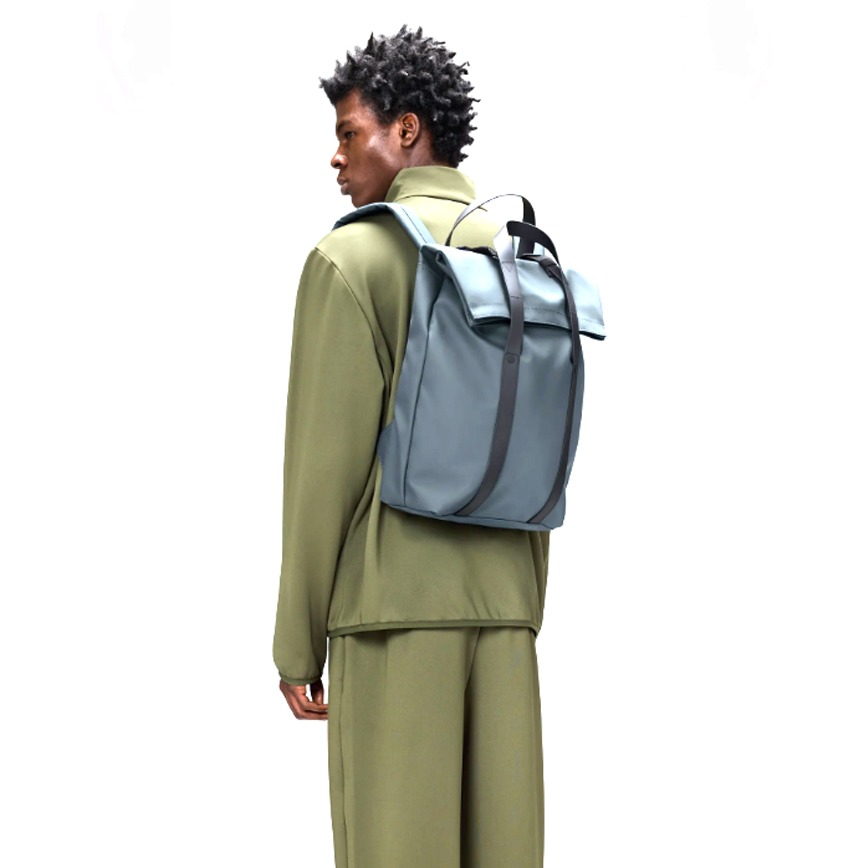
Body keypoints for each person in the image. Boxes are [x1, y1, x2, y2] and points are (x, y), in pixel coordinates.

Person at [272, 25, 549, 867]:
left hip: (390, 619)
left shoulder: (351, 259)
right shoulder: (520, 262)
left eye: (348, 133)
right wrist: (520, 606)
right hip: (506, 618)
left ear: (406, 129)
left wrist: (297, 642)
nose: (336, 157)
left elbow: (322, 471)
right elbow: (535, 450)